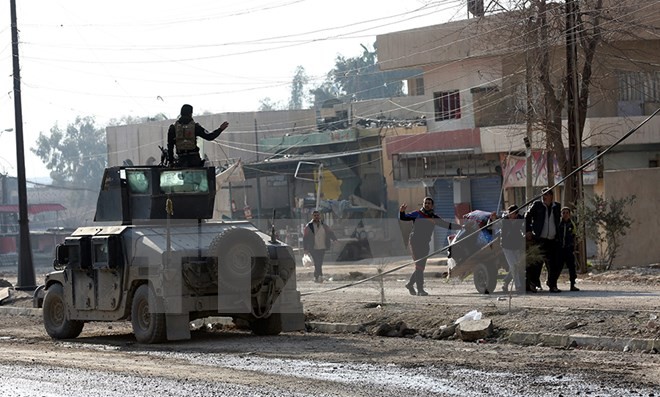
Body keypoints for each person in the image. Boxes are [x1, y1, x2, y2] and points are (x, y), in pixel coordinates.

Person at [399, 197, 459, 296]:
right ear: (423, 204)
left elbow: (447, 225)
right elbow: (403, 218)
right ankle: (420, 290)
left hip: (425, 244)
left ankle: (410, 285)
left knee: (421, 267)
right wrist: (401, 212)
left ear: (432, 205)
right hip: (415, 243)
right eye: (425, 203)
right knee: (419, 265)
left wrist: (462, 227)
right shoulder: (417, 214)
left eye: (429, 203)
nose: (426, 204)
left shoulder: (434, 218)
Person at [524, 187, 562, 293]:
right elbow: (527, 216)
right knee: (537, 263)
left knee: (554, 263)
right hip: (540, 239)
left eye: (546, 194)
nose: (544, 197)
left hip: (552, 240)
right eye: (543, 195)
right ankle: (534, 284)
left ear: (551, 196)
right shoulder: (537, 206)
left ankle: (552, 284)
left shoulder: (556, 207)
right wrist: (528, 230)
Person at [303, 210, 338, 283]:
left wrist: (335, 240)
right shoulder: (309, 226)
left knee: (320, 262)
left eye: (317, 215)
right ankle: (318, 276)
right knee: (317, 262)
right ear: (312, 216)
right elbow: (305, 238)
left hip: (322, 246)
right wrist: (305, 249)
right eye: (315, 215)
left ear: (320, 216)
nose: (316, 217)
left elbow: (330, 233)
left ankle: (318, 276)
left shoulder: (324, 225)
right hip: (313, 247)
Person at [499, 205, 526, 293]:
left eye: (512, 214)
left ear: (516, 214)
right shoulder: (505, 221)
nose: (510, 215)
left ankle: (506, 282)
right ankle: (518, 286)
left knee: (516, 267)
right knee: (514, 266)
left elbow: (524, 229)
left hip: (516, 246)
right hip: (507, 246)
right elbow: (503, 233)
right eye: (509, 213)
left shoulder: (520, 220)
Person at [558, 206, 580, 291]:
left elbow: (574, 236)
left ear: (569, 214)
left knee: (572, 267)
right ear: (561, 214)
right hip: (560, 249)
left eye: (567, 213)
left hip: (568, 249)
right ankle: (553, 284)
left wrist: (573, 247)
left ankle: (572, 285)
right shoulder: (558, 224)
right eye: (563, 213)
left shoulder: (572, 224)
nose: (565, 215)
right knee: (557, 267)